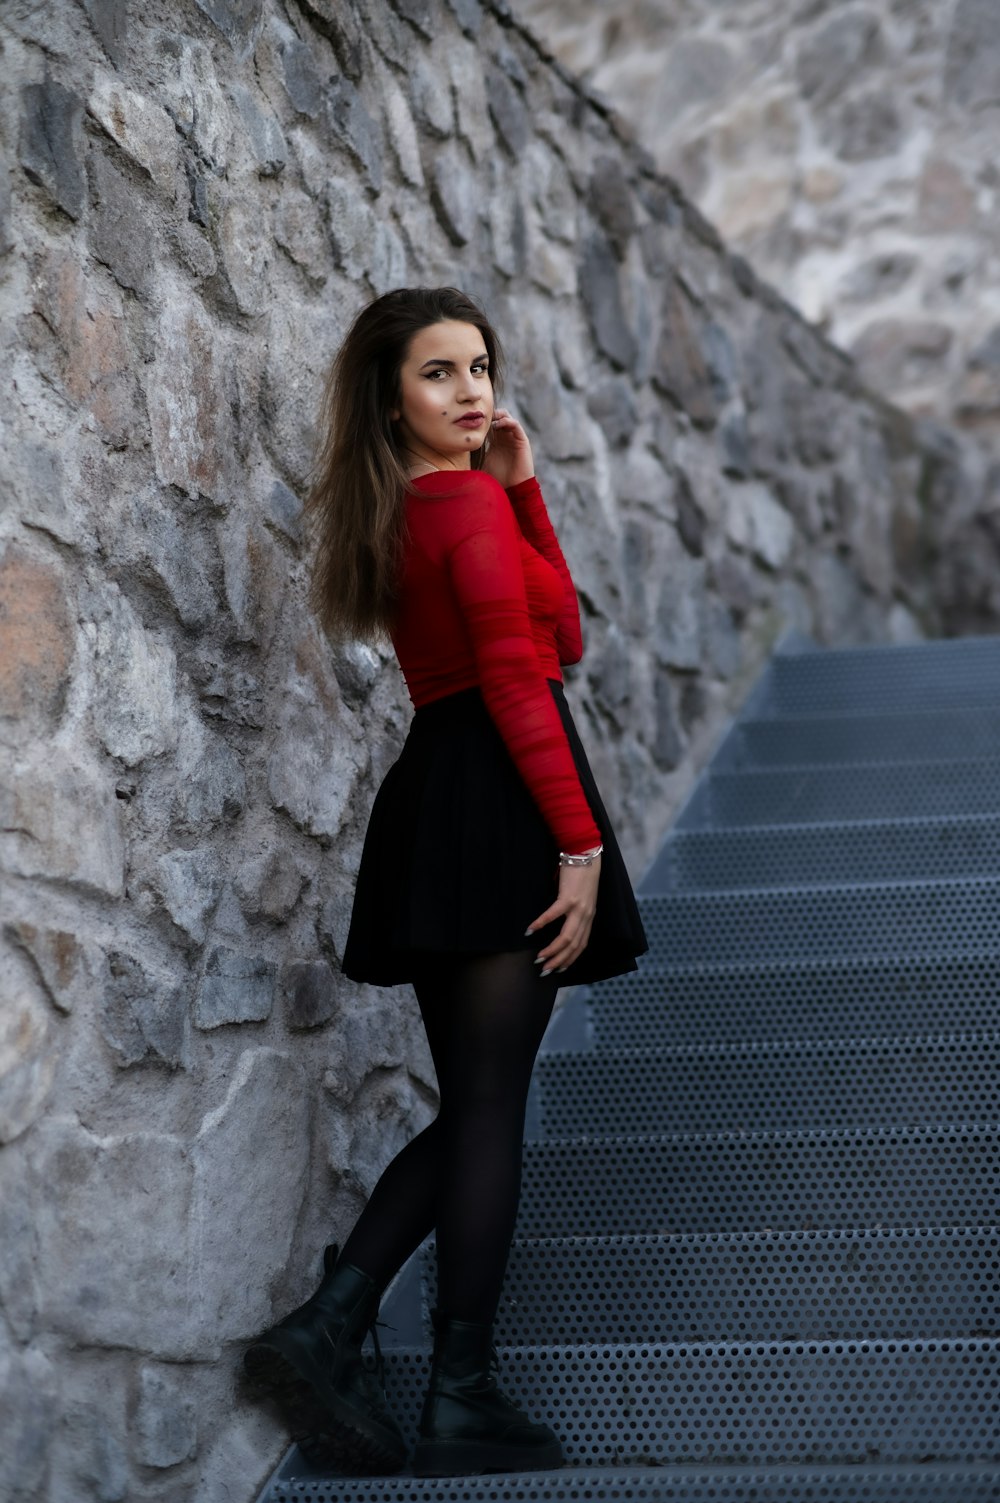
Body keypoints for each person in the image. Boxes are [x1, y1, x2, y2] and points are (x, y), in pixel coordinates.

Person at [243, 287, 648, 1478]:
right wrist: (578, 852)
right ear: (388, 397)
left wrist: (526, 489)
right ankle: (450, 1389)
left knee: (475, 1102)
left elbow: (559, 633)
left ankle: (335, 1329)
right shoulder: (457, 506)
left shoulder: (433, 506)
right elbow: (530, 684)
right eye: (438, 373)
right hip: (502, 798)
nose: (472, 390)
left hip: (449, 793)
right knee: (487, 1112)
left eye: (479, 366)